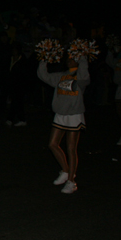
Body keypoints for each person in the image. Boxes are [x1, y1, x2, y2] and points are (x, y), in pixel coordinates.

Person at [37, 55, 90, 194]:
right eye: (69, 58)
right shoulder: (61, 76)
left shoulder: (81, 76)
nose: (69, 60)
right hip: (60, 114)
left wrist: (83, 58)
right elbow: (44, 76)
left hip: (74, 115)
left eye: (73, 58)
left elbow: (85, 76)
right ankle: (66, 171)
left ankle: (72, 181)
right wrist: (44, 59)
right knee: (52, 144)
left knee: (71, 148)